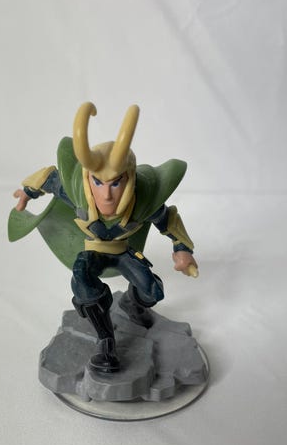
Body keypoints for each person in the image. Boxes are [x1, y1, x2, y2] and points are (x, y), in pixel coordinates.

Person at [10, 102, 198, 374]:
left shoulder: (142, 201)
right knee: (82, 281)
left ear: (129, 178)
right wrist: (27, 192)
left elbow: (166, 218)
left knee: (153, 290)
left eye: (115, 183)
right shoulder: (79, 197)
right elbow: (50, 178)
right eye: (98, 182)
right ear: (88, 180)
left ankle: (132, 305)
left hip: (123, 252)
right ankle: (105, 340)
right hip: (93, 251)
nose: (107, 195)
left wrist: (182, 249)